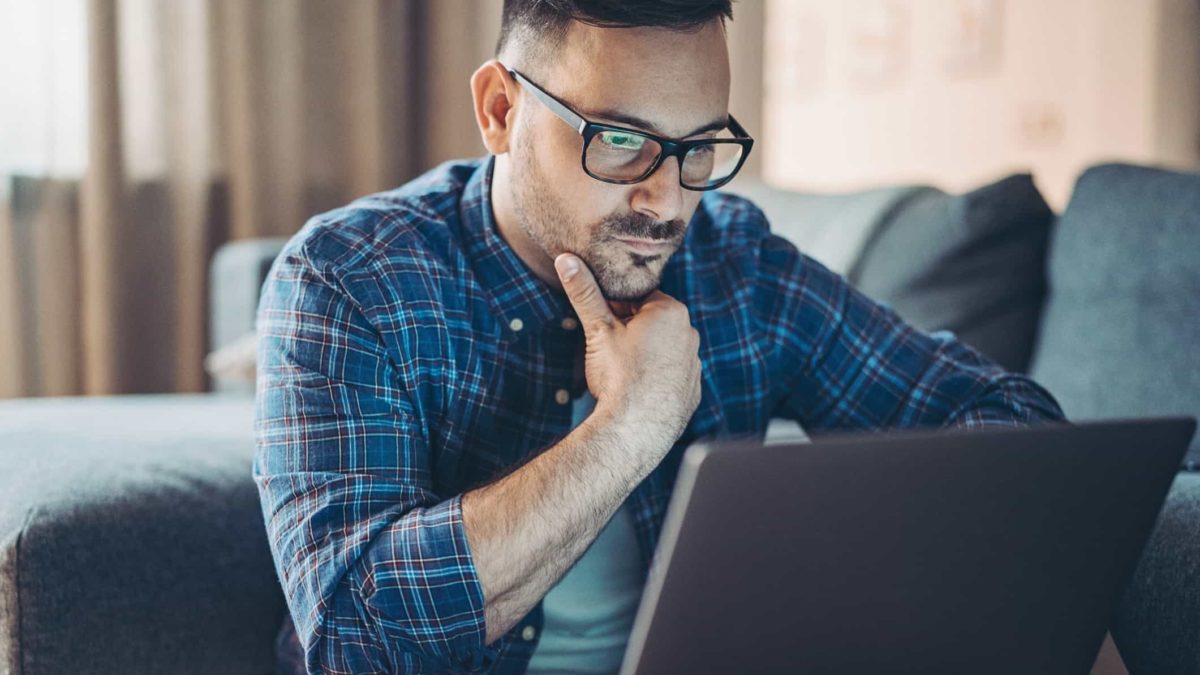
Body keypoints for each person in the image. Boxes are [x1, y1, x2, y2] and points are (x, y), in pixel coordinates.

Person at [253, 1, 1065, 672]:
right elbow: (355, 638)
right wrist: (632, 426)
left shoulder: (739, 267)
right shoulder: (348, 277)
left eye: (700, 147)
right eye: (619, 141)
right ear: (502, 111)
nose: (667, 202)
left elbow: (1006, 419)